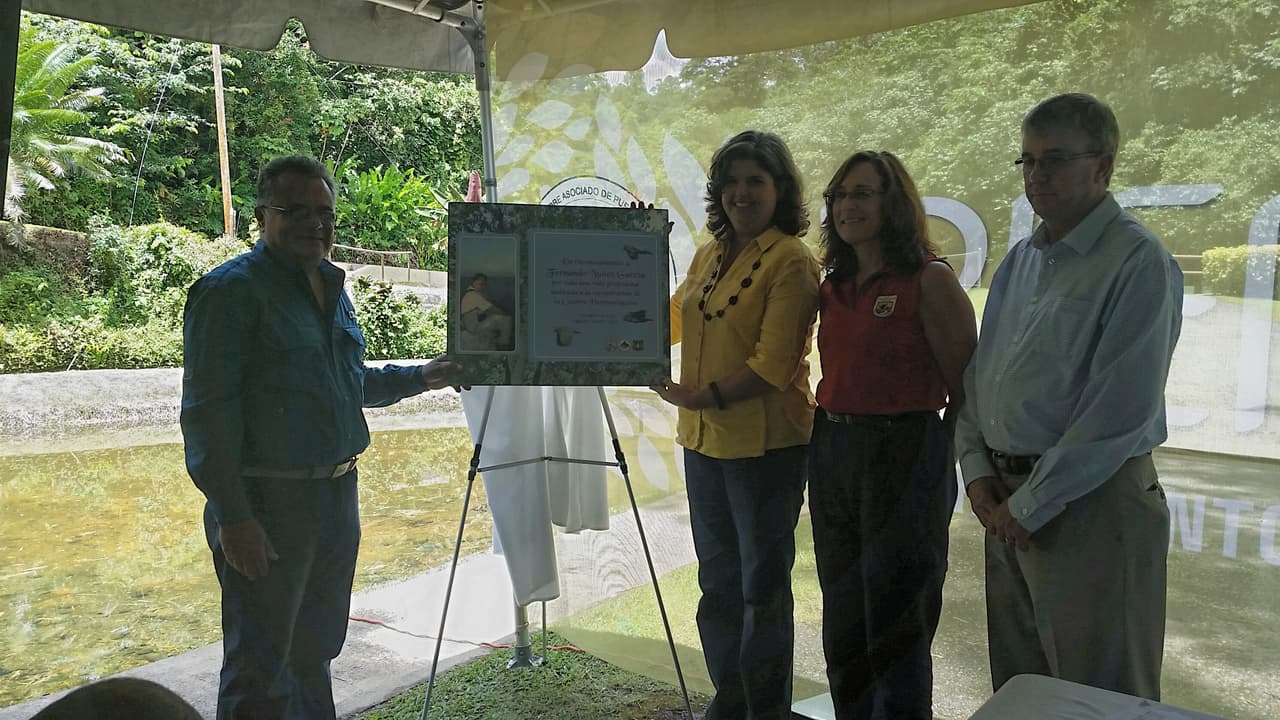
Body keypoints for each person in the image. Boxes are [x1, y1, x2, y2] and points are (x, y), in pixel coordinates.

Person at [180, 154, 461, 720]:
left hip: (335, 498)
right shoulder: (229, 293)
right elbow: (207, 416)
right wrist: (235, 518)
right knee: (260, 663)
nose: (315, 223)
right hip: (267, 503)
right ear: (261, 215)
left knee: (317, 650)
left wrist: (425, 376)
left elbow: (347, 384)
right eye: (296, 211)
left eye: (324, 212)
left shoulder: (331, 286)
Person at [955, 93, 1183, 700]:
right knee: (1025, 694)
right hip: (1008, 505)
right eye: (1027, 161)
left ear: (1102, 167)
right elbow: (983, 379)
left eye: (1053, 160)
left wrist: (1026, 506)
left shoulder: (1138, 262)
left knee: (1101, 699)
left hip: (1091, 511)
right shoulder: (1021, 261)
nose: (1036, 176)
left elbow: (1117, 413)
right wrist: (978, 476)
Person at [650, 130, 820, 720]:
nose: (742, 193)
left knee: (761, 589)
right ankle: (731, 701)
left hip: (767, 450)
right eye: (732, 182)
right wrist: (627, 268)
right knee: (717, 586)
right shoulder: (710, 252)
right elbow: (673, 315)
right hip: (704, 446)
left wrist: (698, 396)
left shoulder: (793, 260)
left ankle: (764, 710)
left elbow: (773, 366)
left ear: (780, 190)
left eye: (756, 181)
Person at [808, 151, 976, 719]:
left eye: (864, 193)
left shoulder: (929, 279)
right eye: (840, 195)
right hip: (832, 449)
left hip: (905, 453)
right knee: (844, 614)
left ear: (894, 203)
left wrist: (933, 468)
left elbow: (966, 393)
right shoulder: (834, 285)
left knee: (899, 622)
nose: (849, 205)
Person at [459, 272, 514, 350]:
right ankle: (503, 343)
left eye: (484, 284)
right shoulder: (473, 295)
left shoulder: (471, 293)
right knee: (506, 318)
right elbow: (492, 309)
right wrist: (505, 313)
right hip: (474, 327)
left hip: (471, 323)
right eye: (480, 284)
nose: (482, 287)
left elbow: (486, 308)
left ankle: (499, 338)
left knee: (495, 316)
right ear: (473, 283)